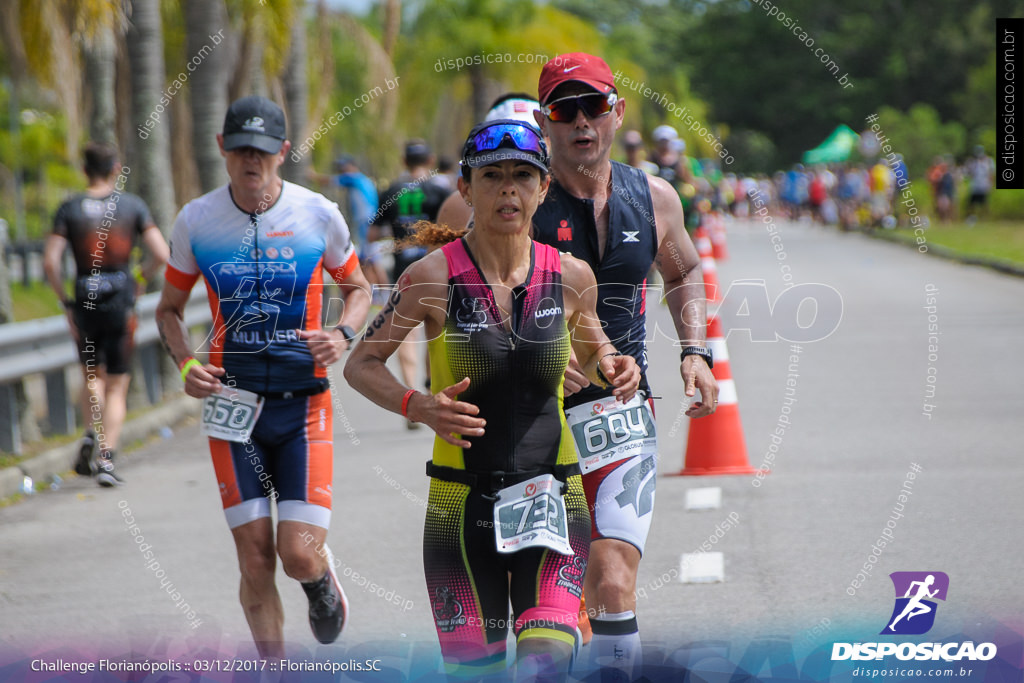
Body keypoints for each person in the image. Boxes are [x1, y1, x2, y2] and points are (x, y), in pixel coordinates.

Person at [344, 119, 640, 682]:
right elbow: (360, 364)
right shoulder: (429, 279)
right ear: (465, 189)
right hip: (459, 509)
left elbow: (597, 348)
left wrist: (614, 366)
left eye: (523, 176)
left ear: (543, 188)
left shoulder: (573, 276)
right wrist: (417, 404)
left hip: (553, 498)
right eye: (493, 177)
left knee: (544, 661)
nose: (509, 190)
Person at [154, 96, 371, 658]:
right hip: (233, 408)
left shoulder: (318, 213)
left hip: (304, 407)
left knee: (297, 553)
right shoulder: (196, 220)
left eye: (264, 150)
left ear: (284, 152)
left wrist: (342, 335)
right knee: (254, 557)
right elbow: (168, 309)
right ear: (223, 149)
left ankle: (320, 582)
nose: (252, 160)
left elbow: (360, 290)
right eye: (242, 149)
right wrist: (186, 363)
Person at [531, 53, 719, 681]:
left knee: (611, 578)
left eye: (594, 107)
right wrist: (538, 355)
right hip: (533, 420)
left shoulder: (654, 196)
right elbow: (476, 293)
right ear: (544, 121)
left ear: (616, 113)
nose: (581, 121)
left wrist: (695, 353)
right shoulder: (519, 202)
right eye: (565, 109)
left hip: (621, 414)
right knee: (546, 595)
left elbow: (685, 269)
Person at [43, 142, 169, 487]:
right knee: (117, 384)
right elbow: (161, 252)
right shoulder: (131, 206)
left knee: (91, 376)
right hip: (120, 304)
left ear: (85, 170)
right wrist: (138, 280)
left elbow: (50, 262)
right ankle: (106, 458)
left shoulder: (69, 208)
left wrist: (65, 300)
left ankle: (90, 433)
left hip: (85, 302)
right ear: (116, 168)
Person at [372, 140, 453, 406]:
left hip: (402, 271)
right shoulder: (438, 190)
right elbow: (452, 230)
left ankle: (410, 389)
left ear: (404, 162)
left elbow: (373, 232)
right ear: (429, 161)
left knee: (406, 332)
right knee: (435, 328)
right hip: (436, 271)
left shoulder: (390, 191)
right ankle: (432, 386)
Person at [436, 92, 542, 232]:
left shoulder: (573, 193)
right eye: (499, 132)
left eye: (531, 135)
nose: (517, 146)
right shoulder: (458, 206)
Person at [963, 145, 994, 222]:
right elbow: (968, 173)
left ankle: (985, 218)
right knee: (972, 204)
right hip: (975, 186)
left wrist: (990, 184)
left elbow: (991, 174)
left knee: (984, 203)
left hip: (984, 185)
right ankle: (972, 218)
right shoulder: (972, 162)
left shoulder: (988, 161)